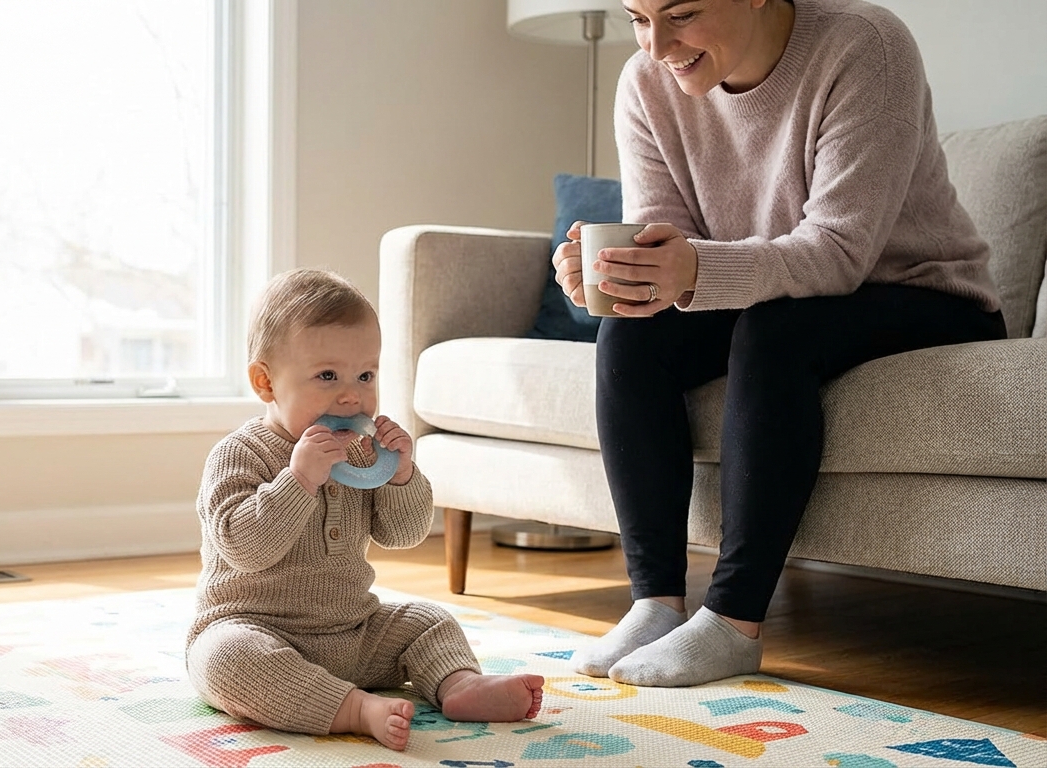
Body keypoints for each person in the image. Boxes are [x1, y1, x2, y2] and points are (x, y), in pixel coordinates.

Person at [552, 0, 1006, 688]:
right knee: (634, 332)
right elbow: (666, 241)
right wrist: (626, 279)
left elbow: (841, 252)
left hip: (924, 291)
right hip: (774, 293)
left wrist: (695, 270)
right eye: (639, 19)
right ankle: (657, 603)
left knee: (776, 330)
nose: (657, 46)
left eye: (682, 14)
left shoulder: (866, 45)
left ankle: (734, 621)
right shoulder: (645, 85)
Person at [186, 268, 545, 751]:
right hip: (258, 628)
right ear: (265, 381)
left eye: (365, 375)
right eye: (327, 376)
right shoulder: (239, 455)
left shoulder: (361, 453)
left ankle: (460, 686)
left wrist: (400, 476)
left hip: (353, 631)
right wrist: (299, 480)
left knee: (426, 619)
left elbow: (404, 533)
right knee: (223, 659)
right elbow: (246, 549)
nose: (351, 394)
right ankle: (354, 708)